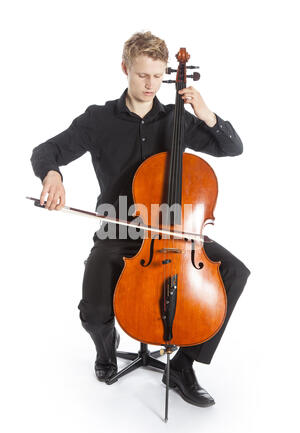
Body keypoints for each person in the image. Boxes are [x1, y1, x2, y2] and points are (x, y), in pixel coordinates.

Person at [30, 31, 250, 408]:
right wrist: (52, 174)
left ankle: (183, 365)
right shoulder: (98, 120)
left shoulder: (176, 119)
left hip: (176, 233)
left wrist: (206, 113)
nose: (150, 85)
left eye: (157, 76)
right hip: (117, 230)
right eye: (141, 75)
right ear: (125, 70)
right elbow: (45, 151)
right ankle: (106, 348)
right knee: (94, 311)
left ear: (166, 73)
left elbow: (231, 147)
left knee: (235, 271)